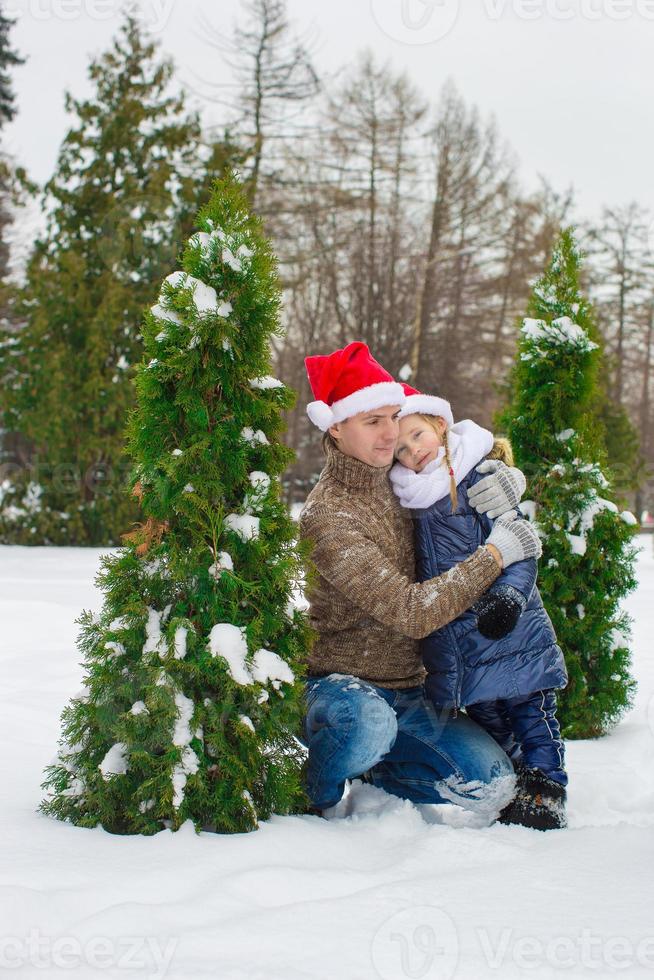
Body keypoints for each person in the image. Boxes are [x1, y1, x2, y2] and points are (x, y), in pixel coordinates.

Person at [298, 341, 543, 822]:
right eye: (373, 422)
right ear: (336, 426)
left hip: (411, 692)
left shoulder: (400, 475)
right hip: (340, 689)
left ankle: (376, 769)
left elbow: (455, 457)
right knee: (367, 723)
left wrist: (505, 478)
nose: (392, 436)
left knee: (491, 784)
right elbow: (410, 612)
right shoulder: (328, 514)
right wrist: (496, 554)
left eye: (393, 416)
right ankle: (315, 789)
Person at [389, 383, 569, 830]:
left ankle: (547, 789)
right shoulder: (405, 497)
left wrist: (509, 595)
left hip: (510, 627)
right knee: (489, 717)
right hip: (460, 644)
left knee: (531, 713)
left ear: (439, 424)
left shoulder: (477, 475)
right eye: (401, 449)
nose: (413, 452)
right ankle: (517, 787)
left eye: (417, 435)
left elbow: (519, 545)